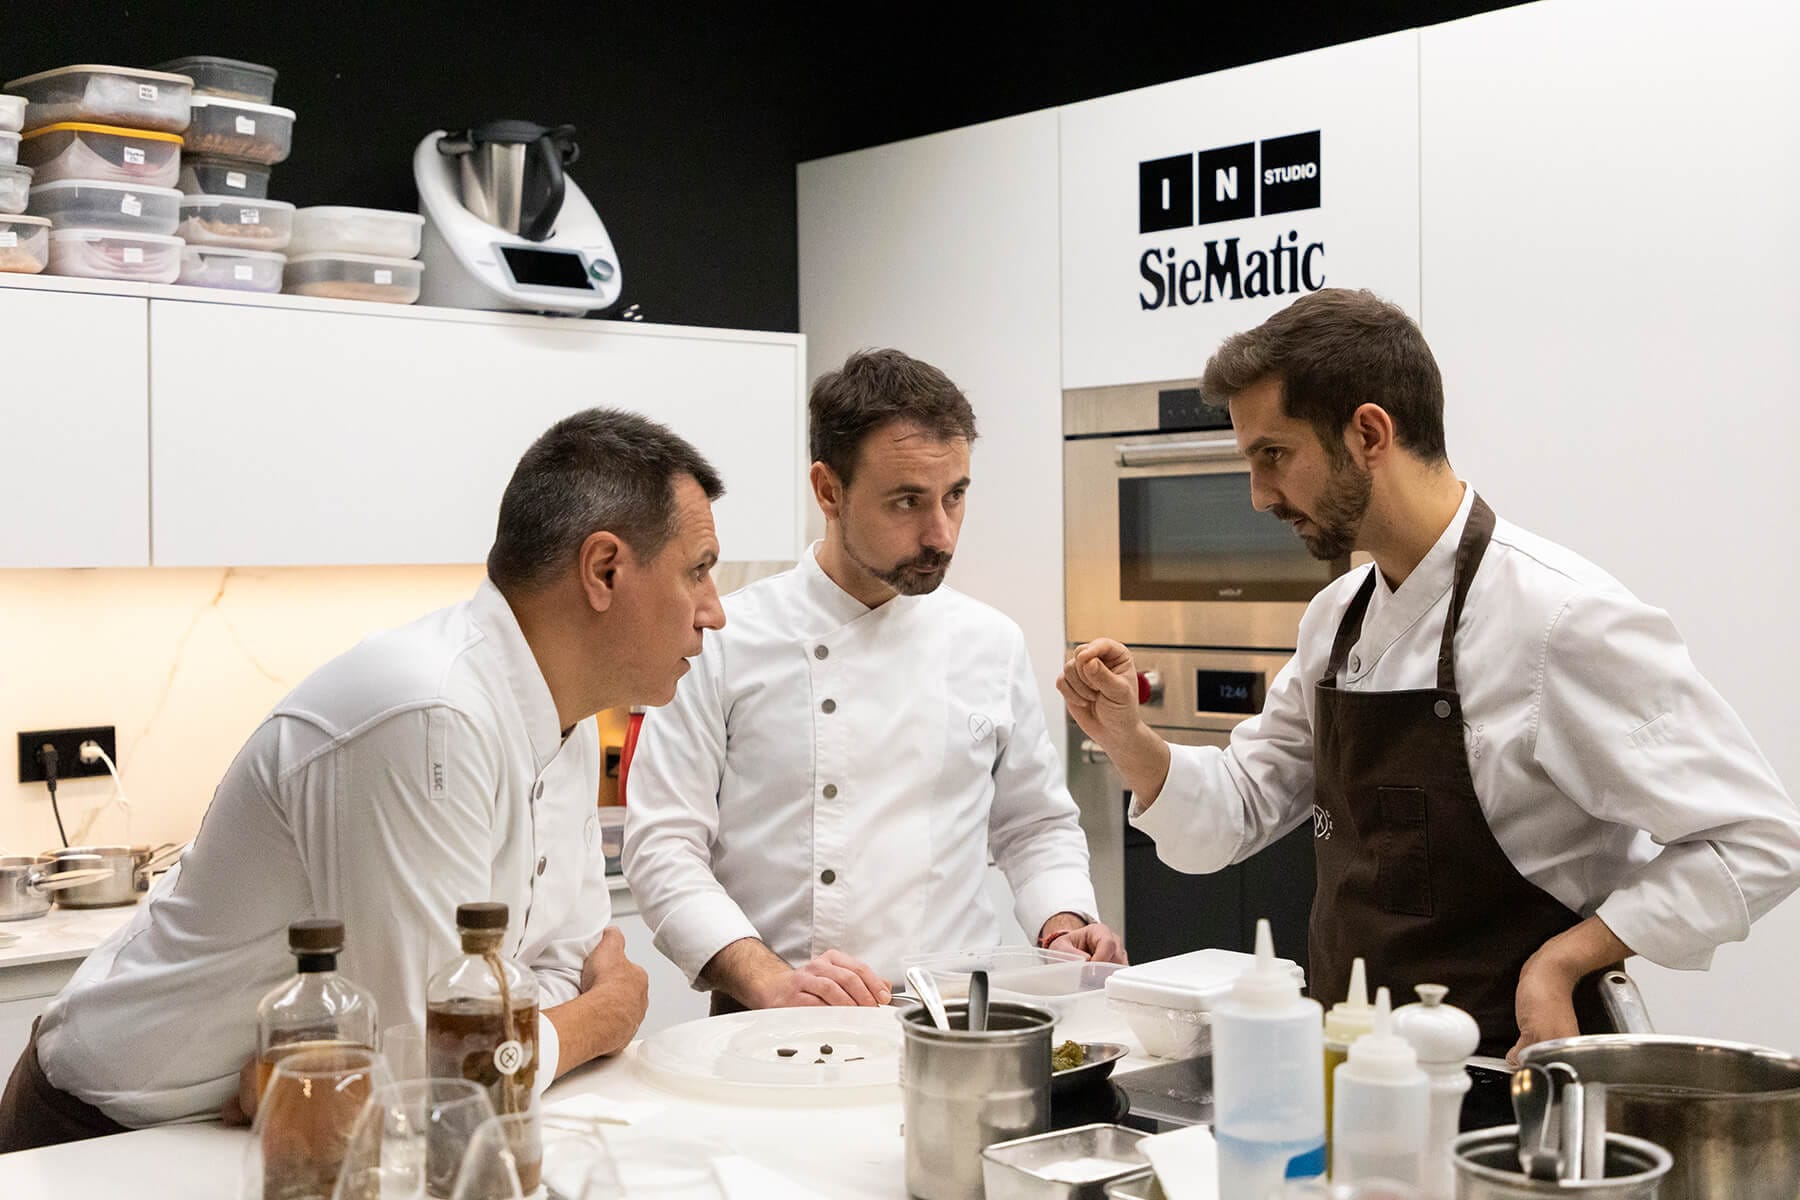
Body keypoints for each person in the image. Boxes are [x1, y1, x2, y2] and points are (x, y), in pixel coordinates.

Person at [1059, 289, 1800, 1060]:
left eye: (1273, 454)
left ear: (1368, 433)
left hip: (1513, 1079)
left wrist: (1567, 958)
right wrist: (1128, 736)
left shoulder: (1558, 620)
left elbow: (1758, 840)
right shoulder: (1335, 618)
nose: (1258, 495)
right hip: (1352, 1069)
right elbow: (1236, 812)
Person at [0, 408, 726, 1150]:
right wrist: (604, 1017)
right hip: (113, 1131)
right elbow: (438, 1078)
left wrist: (415, 1062)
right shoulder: (427, 715)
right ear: (604, 570)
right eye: (698, 571)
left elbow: (556, 971)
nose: (715, 612)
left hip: (292, 1125)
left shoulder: (564, 717)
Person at [623, 348, 1123, 1012]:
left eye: (955, 496)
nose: (941, 534)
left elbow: (1034, 826)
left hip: (959, 1016)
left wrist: (1062, 924)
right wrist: (766, 977)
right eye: (907, 501)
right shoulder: (720, 640)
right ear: (829, 490)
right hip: (774, 1018)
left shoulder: (990, 642)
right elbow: (663, 847)